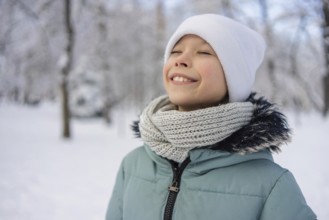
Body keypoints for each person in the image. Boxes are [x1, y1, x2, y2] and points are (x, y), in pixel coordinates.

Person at [106, 14, 316, 220]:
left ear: (234, 77)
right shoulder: (133, 165)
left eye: (204, 53)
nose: (181, 60)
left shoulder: (271, 185)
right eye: (175, 51)